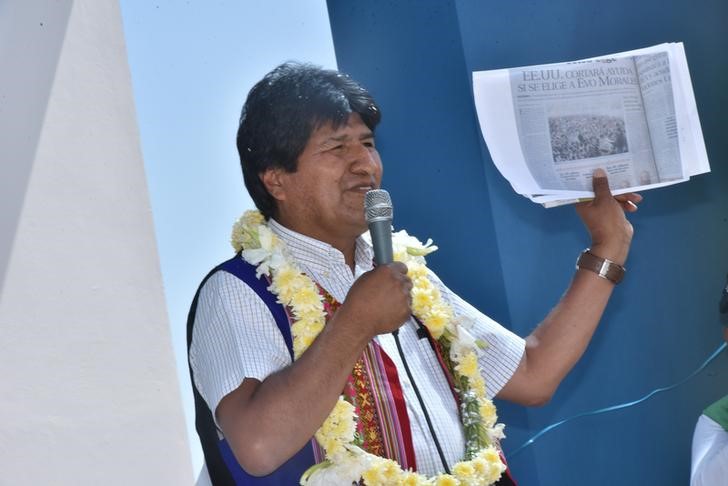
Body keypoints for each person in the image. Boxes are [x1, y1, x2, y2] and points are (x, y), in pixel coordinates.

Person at [187, 62, 642, 485]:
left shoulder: (406, 276)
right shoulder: (239, 289)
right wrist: (355, 323)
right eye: (335, 147)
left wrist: (607, 248)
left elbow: (532, 373)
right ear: (275, 180)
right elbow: (259, 446)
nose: (364, 163)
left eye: (366, 143)